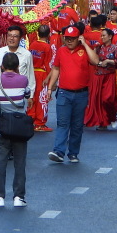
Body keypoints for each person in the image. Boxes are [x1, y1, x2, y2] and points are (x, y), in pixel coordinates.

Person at [46, 26, 100, 163]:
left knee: (76, 125)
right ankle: (59, 151)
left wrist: (85, 45)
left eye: (73, 39)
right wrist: (50, 88)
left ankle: (73, 153)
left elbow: (95, 61)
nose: (69, 41)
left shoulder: (84, 50)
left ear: (78, 38)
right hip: (64, 92)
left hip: (81, 94)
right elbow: (56, 69)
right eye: (67, 38)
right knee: (63, 123)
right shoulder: (61, 51)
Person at [0, 53, 32, 208]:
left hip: (1, 127)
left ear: (2, 66)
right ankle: (19, 197)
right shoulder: (24, 79)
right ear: (18, 67)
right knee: (20, 162)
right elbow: (27, 94)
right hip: (20, 127)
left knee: (1, 162)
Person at [0, 26, 36, 100]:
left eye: (15, 36)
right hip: (1, 95)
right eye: (9, 35)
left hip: (20, 95)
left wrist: (30, 96)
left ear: (21, 38)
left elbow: (30, 76)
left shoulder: (26, 54)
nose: (11, 38)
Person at [84, 27, 117, 130]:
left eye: (104, 35)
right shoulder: (98, 48)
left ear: (110, 36)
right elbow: (92, 60)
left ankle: (111, 116)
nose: (102, 37)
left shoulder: (115, 48)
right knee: (98, 101)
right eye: (101, 35)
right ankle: (103, 123)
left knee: (107, 99)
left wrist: (108, 61)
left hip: (109, 76)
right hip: (98, 76)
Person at [26, 25, 56, 131]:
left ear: (38, 33)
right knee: (42, 99)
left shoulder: (33, 44)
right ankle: (40, 123)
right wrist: (51, 80)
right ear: (48, 35)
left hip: (32, 73)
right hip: (42, 75)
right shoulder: (47, 47)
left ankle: (30, 120)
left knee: (32, 97)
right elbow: (49, 64)